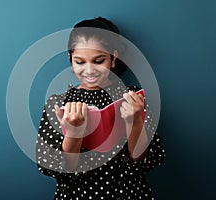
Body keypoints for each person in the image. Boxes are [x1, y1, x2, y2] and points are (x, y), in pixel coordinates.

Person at [36, 17, 166, 200]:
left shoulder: (133, 98)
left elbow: (144, 161)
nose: (89, 71)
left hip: (128, 194)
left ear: (113, 58)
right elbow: (55, 168)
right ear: (70, 59)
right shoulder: (58, 104)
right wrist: (73, 133)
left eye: (98, 61)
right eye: (80, 62)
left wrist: (135, 121)